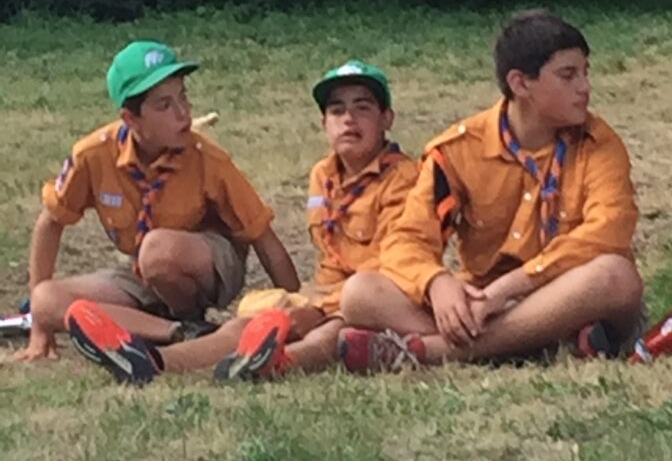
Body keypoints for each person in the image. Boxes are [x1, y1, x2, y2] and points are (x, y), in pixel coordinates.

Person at [64, 59, 418, 384]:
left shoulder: (404, 179)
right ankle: (153, 361)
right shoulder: (323, 175)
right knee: (249, 322)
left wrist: (315, 310)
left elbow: (394, 267)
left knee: (328, 335)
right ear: (323, 123)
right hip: (327, 294)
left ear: (387, 119)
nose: (348, 120)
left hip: (377, 299)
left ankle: (273, 365)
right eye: (337, 110)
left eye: (363, 108)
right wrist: (297, 300)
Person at [338, 10, 644, 372]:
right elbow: (407, 240)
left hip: (562, 292)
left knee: (614, 275)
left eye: (585, 72)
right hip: (483, 302)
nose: (584, 87)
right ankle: (532, 342)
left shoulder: (598, 143)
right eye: (568, 75)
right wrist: (437, 283)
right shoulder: (459, 149)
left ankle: (438, 351)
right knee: (360, 293)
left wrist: (510, 288)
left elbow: (607, 233)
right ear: (520, 84)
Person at [17, 39, 298, 364]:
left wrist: (297, 307)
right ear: (131, 119)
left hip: (206, 265)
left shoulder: (207, 159)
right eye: (164, 105)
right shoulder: (93, 155)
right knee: (46, 299)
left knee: (157, 250)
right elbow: (50, 223)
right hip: (142, 273)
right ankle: (178, 332)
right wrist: (40, 329)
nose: (183, 113)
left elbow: (264, 239)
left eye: (183, 97)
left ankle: (183, 317)